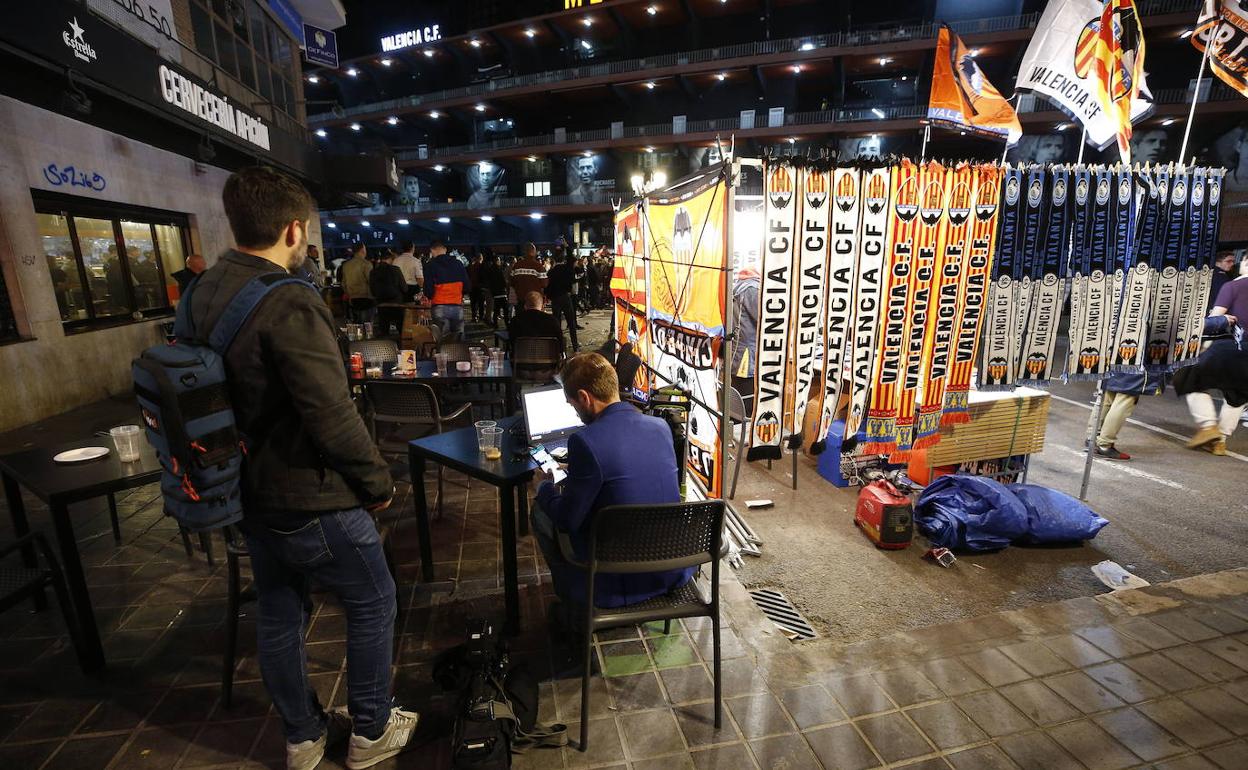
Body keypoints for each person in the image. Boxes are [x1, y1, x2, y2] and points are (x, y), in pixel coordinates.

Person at [188, 167, 416, 770]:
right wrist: (376, 484)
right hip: (309, 497)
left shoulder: (202, 292)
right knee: (373, 599)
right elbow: (331, 415)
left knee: (280, 612)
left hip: (243, 492)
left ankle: (303, 736)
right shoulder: (288, 299)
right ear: (294, 229)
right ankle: (369, 731)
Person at [531, 353, 690, 610]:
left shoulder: (584, 441)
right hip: (669, 570)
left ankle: (571, 596)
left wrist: (544, 488)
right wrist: (579, 469)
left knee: (542, 512)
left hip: (615, 583)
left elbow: (567, 520)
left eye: (572, 404)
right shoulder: (660, 427)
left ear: (584, 397)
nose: (575, 410)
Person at [1175, 314, 1248, 456]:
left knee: (1188, 376)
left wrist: (1203, 346)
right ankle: (1220, 440)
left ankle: (1209, 427)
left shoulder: (1234, 289)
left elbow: (1217, 314)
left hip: (1230, 348)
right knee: (1237, 395)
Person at [1093, 369, 1164, 460]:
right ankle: (1104, 445)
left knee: (1111, 395)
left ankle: (1093, 437)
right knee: (1126, 398)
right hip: (1134, 366)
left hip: (1116, 363)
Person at [424, 239, 469, 340]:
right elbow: (467, 287)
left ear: (432, 250)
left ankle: (445, 355)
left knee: (443, 340)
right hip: (457, 307)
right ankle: (460, 355)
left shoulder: (430, 265)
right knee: (459, 337)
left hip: (439, 307)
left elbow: (429, 291)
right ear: (445, 249)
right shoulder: (458, 264)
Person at [545, 251, 579, 352]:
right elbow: (572, 283)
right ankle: (575, 346)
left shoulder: (551, 272)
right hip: (565, 296)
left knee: (557, 322)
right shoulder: (567, 269)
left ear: (554, 260)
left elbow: (547, 287)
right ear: (563, 260)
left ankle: (559, 347)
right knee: (571, 322)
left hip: (555, 298)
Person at [369, 251, 408, 336]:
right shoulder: (396, 270)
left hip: (381, 304)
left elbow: (372, 289)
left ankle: (386, 346)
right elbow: (404, 288)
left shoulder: (373, 272)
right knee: (400, 329)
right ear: (390, 259)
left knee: (384, 330)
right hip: (396, 304)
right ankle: (401, 346)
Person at [341, 243, 375, 323]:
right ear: (362, 250)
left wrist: (348, 293)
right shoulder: (366, 264)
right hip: (366, 297)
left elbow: (343, 283)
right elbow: (371, 281)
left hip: (353, 298)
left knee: (357, 323)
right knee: (367, 324)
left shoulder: (346, 265)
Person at [480, 252, 508, 327]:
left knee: (494, 308)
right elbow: (502, 281)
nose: (500, 261)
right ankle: (504, 324)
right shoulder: (498, 270)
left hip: (491, 291)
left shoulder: (488, 269)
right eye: (499, 260)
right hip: (498, 291)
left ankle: (492, 322)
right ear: (496, 261)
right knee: (501, 308)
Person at [466, 251, 486, 323]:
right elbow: (484, 277)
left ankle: (474, 317)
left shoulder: (470, 267)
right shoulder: (482, 266)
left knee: (473, 303)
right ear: (481, 258)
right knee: (481, 303)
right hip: (480, 287)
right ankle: (481, 317)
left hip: (472, 287)